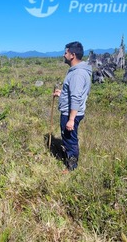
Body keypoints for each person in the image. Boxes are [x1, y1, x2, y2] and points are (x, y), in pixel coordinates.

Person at [53, 41, 92, 171]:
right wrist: (62, 94)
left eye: (66, 52)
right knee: (68, 138)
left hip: (71, 113)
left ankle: (72, 167)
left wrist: (71, 119)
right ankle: (70, 162)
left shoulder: (78, 74)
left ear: (72, 55)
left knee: (70, 140)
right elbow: (73, 92)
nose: (64, 55)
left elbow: (76, 97)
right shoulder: (77, 71)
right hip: (70, 111)